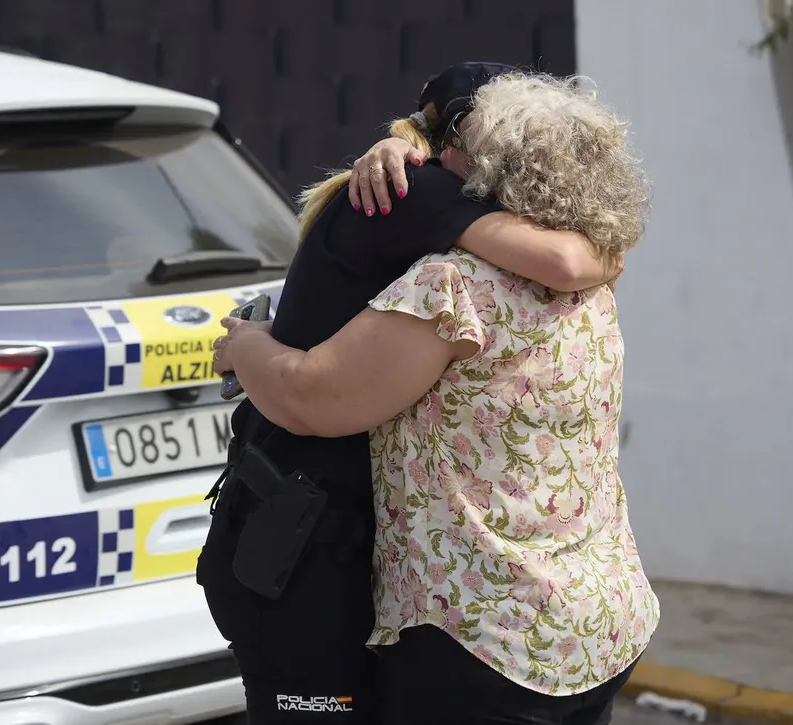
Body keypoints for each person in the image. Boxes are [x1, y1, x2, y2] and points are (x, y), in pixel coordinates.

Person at [213, 70, 659, 725]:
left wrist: (242, 343)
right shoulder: (595, 282)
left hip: (490, 637)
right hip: (600, 618)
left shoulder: (451, 287)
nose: (432, 155)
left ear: (489, 165)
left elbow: (307, 397)